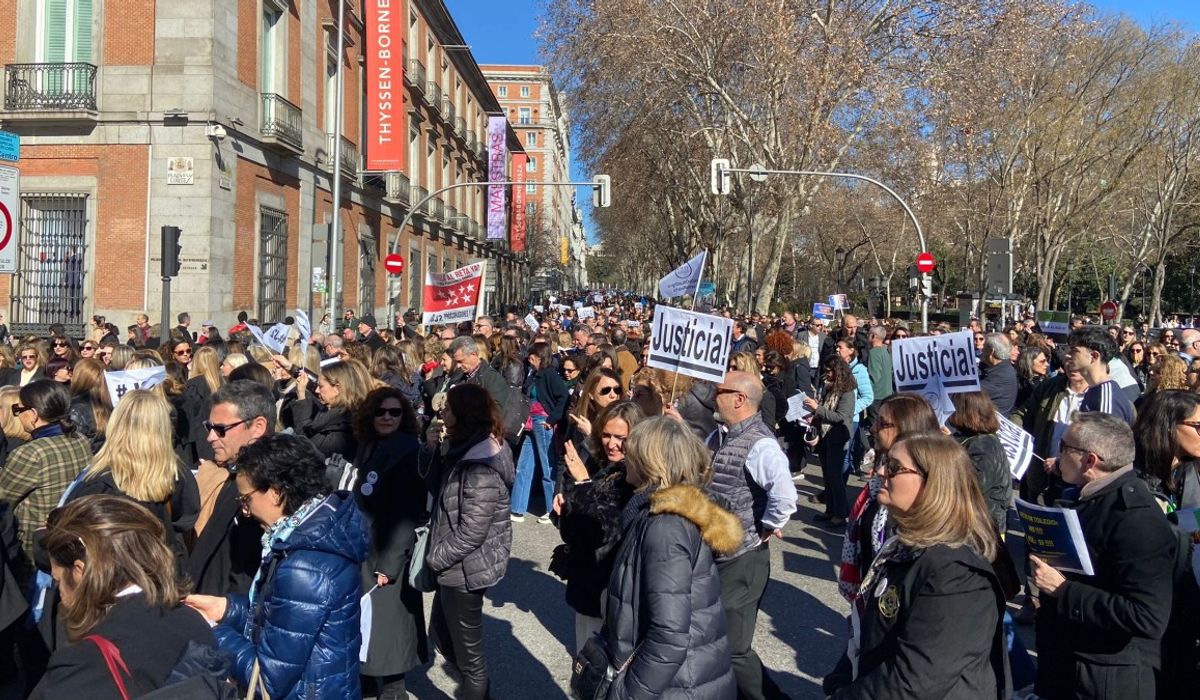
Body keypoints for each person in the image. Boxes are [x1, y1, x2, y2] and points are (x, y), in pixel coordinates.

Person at [824, 432, 1009, 698]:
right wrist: (838, 683)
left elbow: (915, 681)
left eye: (894, 467)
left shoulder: (958, 575)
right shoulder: (903, 547)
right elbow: (869, 632)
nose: (881, 472)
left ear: (933, 483)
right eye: (884, 463)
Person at [185, 433, 369, 699]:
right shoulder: (313, 536)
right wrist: (225, 609)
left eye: (246, 500)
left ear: (276, 493)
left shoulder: (304, 568)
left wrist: (214, 631)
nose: (245, 511)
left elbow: (266, 680)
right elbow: (282, 620)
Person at [1031, 412, 1177, 700]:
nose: (1057, 456)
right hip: (1069, 663)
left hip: (1105, 677)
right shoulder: (1088, 495)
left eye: (1064, 448)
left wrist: (1063, 590)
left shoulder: (1136, 520)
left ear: (1090, 460)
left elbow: (1147, 617)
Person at [29, 495, 219, 699]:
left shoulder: (83, 663)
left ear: (80, 572)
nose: (60, 594)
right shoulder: (194, 621)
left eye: (58, 580)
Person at [604, 416, 739, 699]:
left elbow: (669, 636)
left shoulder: (665, 527)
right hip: (679, 679)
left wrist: (627, 694)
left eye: (631, 451)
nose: (625, 458)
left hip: (676, 686)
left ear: (649, 461)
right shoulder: (655, 513)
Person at [706, 371, 797, 699]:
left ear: (739, 399)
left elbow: (785, 495)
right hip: (718, 553)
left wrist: (767, 526)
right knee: (715, 639)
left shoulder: (761, 444)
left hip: (743, 558)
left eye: (720, 391)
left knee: (734, 648)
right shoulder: (719, 435)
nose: (713, 396)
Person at [421, 384, 514, 700]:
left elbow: (473, 531)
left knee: (471, 661)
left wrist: (435, 558)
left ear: (464, 414)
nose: (441, 413)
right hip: (453, 565)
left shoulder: (481, 461)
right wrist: (432, 448)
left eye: (448, 409)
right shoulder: (460, 446)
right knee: (442, 635)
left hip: (465, 569)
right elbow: (434, 486)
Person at [66, 390, 199, 575]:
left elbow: (71, 538)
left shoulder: (96, 483)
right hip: (163, 574)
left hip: (111, 579)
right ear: (163, 428)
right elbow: (186, 519)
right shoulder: (176, 474)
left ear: (116, 425)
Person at [353, 388, 428, 700]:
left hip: (388, 552)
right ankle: (367, 683)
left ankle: (395, 690)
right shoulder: (369, 444)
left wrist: (390, 563)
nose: (387, 417)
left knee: (389, 624)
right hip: (366, 546)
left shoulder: (408, 451)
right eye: (380, 411)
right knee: (367, 623)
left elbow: (407, 513)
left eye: (394, 412)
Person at [553, 401, 644, 653]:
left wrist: (583, 483)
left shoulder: (634, 479)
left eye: (621, 438)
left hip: (606, 590)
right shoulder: (601, 466)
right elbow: (574, 531)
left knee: (597, 663)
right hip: (587, 584)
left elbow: (602, 530)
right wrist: (566, 508)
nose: (612, 444)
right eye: (606, 435)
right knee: (583, 656)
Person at [187, 380, 277, 596]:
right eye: (209, 427)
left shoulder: (270, 487)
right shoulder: (236, 474)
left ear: (258, 427)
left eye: (220, 429)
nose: (210, 437)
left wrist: (227, 609)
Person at [0, 380, 91, 587]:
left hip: (34, 553)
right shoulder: (80, 439)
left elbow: (3, 499)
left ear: (33, 415)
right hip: (69, 543)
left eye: (18, 410)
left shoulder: (30, 453)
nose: (17, 415)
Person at [512, 342, 569, 523]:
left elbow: (564, 397)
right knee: (524, 465)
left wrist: (552, 420)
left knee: (547, 466)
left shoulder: (550, 375)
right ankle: (517, 507)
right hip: (530, 422)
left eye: (532, 358)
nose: (529, 361)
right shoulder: (533, 374)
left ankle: (551, 509)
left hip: (543, 422)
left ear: (539, 358)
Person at [945, 391, 1011, 534]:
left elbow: (973, 487)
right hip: (973, 522)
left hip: (983, 527)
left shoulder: (984, 446)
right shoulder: (975, 439)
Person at [806, 358, 858, 526]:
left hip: (838, 436)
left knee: (835, 477)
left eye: (829, 371)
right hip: (825, 435)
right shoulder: (828, 387)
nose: (827, 374)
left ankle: (840, 514)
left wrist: (817, 409)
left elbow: (840, 417)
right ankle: (830, 510)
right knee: (827, 476)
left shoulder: (847, 392)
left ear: (838, 372)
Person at [289, 359, 369, 467]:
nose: (317, 390)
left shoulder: (343, 428)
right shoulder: (332, 413)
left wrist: (301, 398)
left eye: (321, 386)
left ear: (337, 389)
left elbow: (306, 447)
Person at [1068, 327, 1135, 425]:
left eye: (1074, 350)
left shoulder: (1107, 399)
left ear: (1094, 356)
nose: (1068, 355)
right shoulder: (1094, 390)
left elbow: (1105, 434)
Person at [979, 332, 1019, 416]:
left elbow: (968, 393)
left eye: (984, 347)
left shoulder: (1001, 375)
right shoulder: (1001, 368)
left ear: (991, 351)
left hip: (990, 421)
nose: (982, 350)